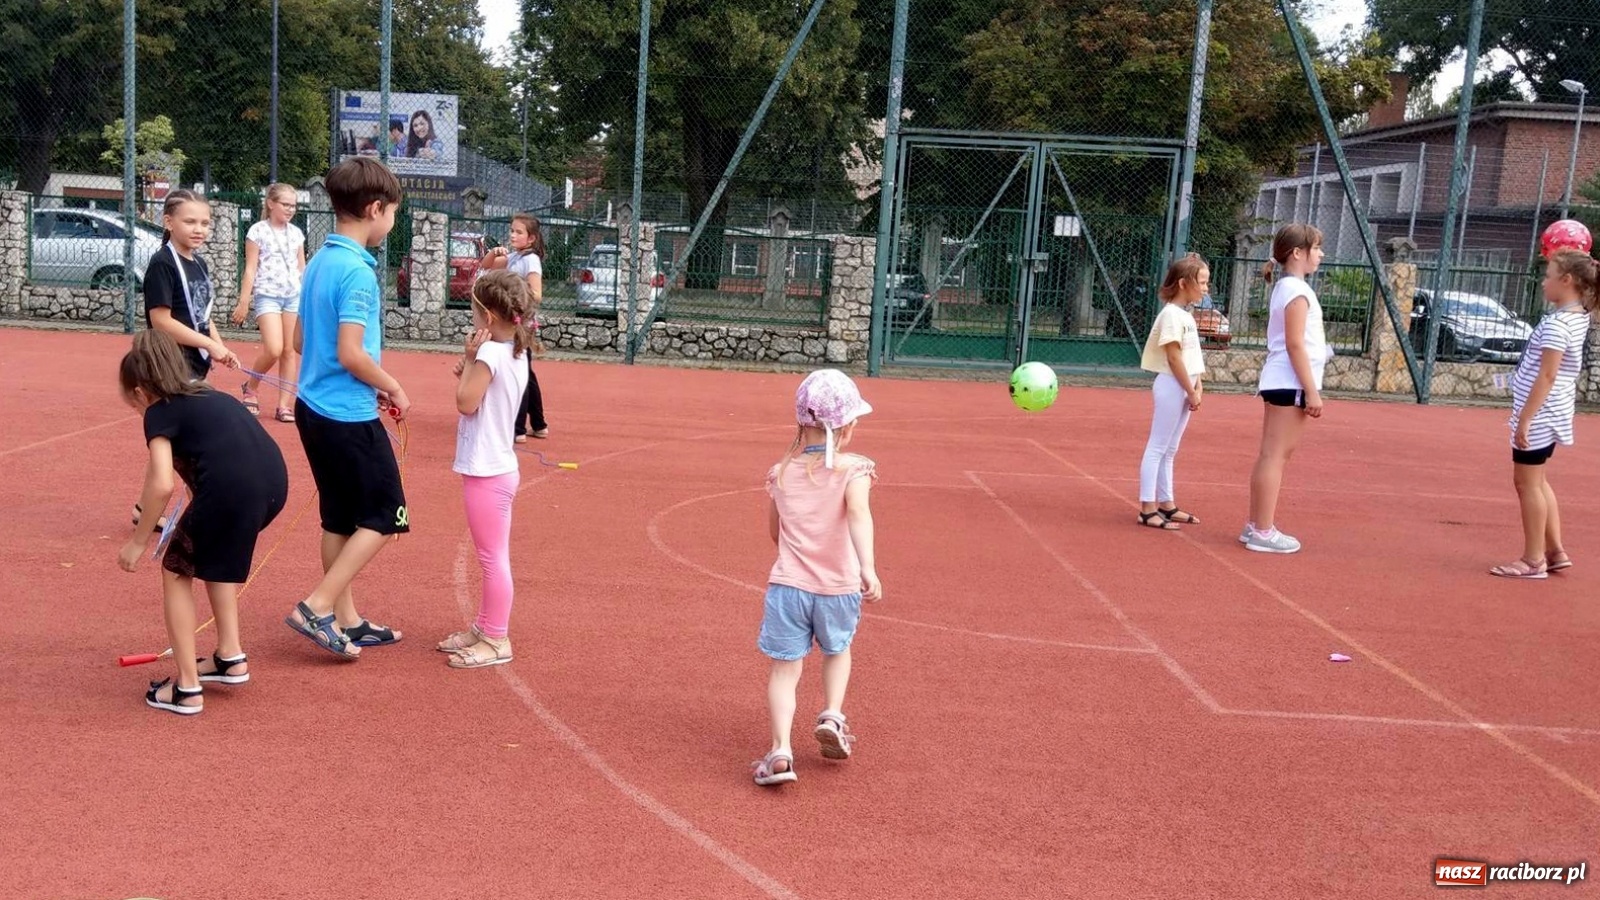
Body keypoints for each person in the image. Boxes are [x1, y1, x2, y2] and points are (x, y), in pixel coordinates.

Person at [117, 330, 288, 715]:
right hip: (272, 489)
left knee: (176, 570)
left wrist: (138, 542)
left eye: (133, 405)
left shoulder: (159, 411)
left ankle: (187, 688)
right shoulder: (206, 394)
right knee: (212, 552)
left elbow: (162, 484)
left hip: (231, 494)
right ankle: (229, 657)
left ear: (141, 393)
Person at [283, 157, 409, 659]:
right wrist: (392, 386)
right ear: (375, 209)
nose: (392, 221)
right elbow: (352, 353)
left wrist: (360, 378)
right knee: (385, 514)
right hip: (345, 415)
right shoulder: (357, 273)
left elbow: (299, 340)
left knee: (338, 519)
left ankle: (348, 619)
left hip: (313, 407)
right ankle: (316, 606)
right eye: (393, 213)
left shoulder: (319, 260)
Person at [753, 369, 881, 787]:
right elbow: (859, 514)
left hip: (788, 587)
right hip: (837, 587)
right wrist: (867, 567)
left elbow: (775, 533)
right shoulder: (853, 470)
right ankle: (831, 715)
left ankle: (780, 750)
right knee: (837, 650)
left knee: (784, 670)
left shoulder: (781, 472)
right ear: (847, 428)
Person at [436, 271, 533, 667]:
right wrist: (471, 366)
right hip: (498, 466)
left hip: (487, 471)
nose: (473, 319)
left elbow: (466, 403)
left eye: (475, 313)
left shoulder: (491, 353)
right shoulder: (516, 351)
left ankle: (496, 638)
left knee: (492, 559)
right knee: (492, 556)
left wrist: (472, 360)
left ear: (488, 318)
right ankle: (485, 627)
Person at [1490, 249, 1597, 579]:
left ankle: (1533, 560)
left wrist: (1525, 418)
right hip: (1553, 411)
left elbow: (1547, 375)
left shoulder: (1558, 325)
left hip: (1541, 414)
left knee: (1526, 484)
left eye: (1548, 276)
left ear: (1566, 281)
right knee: (1537, 480)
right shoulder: (1577, 317)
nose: (1542, 282)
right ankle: (1555, 550)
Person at [1244, 224, 1331, 555]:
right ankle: (1263, 531)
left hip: (1280, 381)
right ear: (1297, 253)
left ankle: (1256, 525)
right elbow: (1295, 344)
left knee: (1271, 454)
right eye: (1316, 248)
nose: (1320, 254)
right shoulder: (1296, 290)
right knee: (1276, 456)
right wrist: (1312, 391)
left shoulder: (1287, 287)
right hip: (1290, 383)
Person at [1137, 254, 1208, 530]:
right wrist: (1190, 389)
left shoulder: (1185, 315)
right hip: (1172, 386)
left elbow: (1191, 357)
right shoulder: (1170, 315)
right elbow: (1174, 357)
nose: (1205, 288)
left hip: (1185, 387)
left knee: (1170, 448)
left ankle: (1167, 504)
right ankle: (1147, 508)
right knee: (1158, 446)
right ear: (1183, 283)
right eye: (1202, 282)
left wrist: (1197, 385)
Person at [143, 189, 238, 382]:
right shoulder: (163, 263)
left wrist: (220, 346)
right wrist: (209, 345)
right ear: (169, 222)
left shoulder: (200, 264)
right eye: (190, 222)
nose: (199, 230)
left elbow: (202, 314)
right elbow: (161, 322)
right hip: (172, 366)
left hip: (196, 365)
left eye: (205, 223)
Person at [232, 183, 307, 423]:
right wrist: (244, 301)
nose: (290, 209)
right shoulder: (257, 231)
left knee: (289, 351)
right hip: (267, 296)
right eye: (285, 204)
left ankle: (284, 405)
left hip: (293, 296)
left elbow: (302, 268)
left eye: (293, 205)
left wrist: (307, 297)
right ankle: (251, 387)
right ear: (271, 203)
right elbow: (250, 268)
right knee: (274, 349)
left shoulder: (296, 233)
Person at [481, 213, 549, 441]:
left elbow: (536, 294)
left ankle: (518, 429)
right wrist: (494, 252)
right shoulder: (514, 257)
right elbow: (487, 266)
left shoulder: (531, 260)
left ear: (531, 238)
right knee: (526, 372)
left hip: (522, 325)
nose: (513, 235)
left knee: (519, 372)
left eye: (519, 232)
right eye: (512, 230)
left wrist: (514, 295)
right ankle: (539, 425)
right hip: (515, 323)